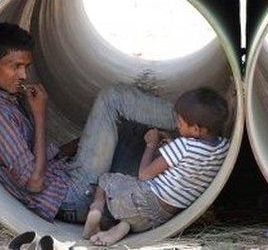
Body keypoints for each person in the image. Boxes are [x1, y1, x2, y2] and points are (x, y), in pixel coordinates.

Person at [0, 23, 186, 225]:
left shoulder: (4, 98)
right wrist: (40, 115)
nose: (24, 75)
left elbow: (45, 155)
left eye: (26, 67)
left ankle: (186, 155)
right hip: (71, 196)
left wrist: (88, 139)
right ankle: (191, 121)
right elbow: (35, 183)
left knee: (133, 129)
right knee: (113, 98)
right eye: (16, 66)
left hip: (68, 176)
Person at [82, 88, 230, 245]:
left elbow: (144, 174)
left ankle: (96, 210)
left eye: (180, 122)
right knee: (135, 214)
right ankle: (124, 226)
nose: (177, 125)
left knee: (105, 179)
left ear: (195, 129)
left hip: (142, 202)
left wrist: (151, 145)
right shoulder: (223, 147)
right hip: (160, 218)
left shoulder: (183, 146)